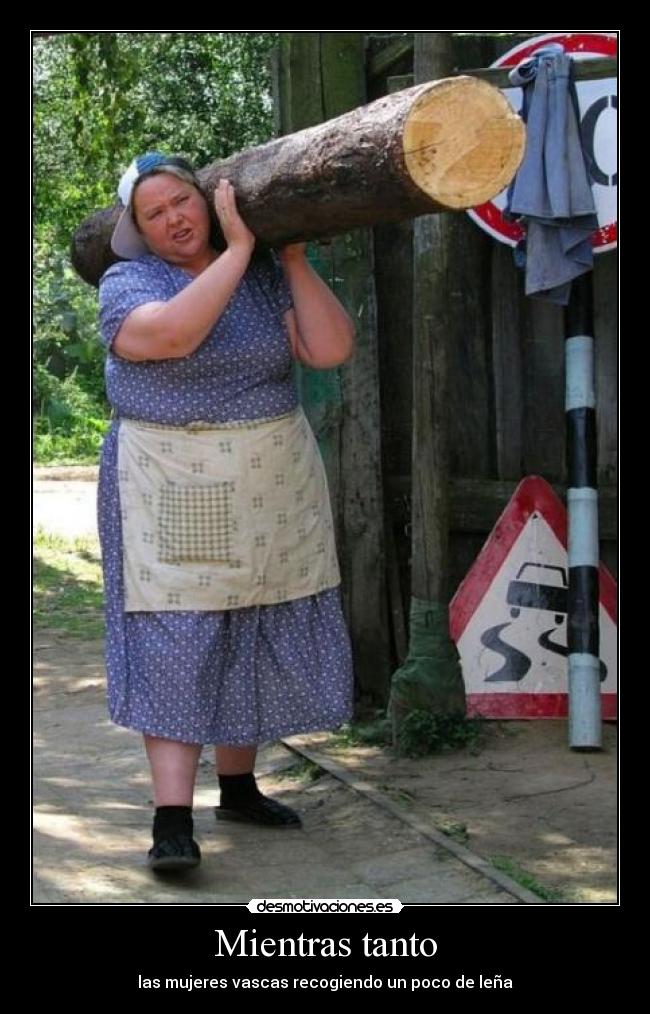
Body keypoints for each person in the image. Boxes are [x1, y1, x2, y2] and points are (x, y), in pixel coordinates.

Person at [97, 151, 355, 872]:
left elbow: (330, 349)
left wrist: (291, 256)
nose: (174, 219)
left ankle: (239, 788)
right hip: (169, 481)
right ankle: (171, 821)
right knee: (180, 635)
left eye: (182, 201)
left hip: (268, 479)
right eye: (155, 213)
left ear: (207, 201)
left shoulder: (266, 273)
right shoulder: (129, 282)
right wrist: (239, 250)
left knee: (254, 617)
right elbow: (173, 335)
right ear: (139, 231)